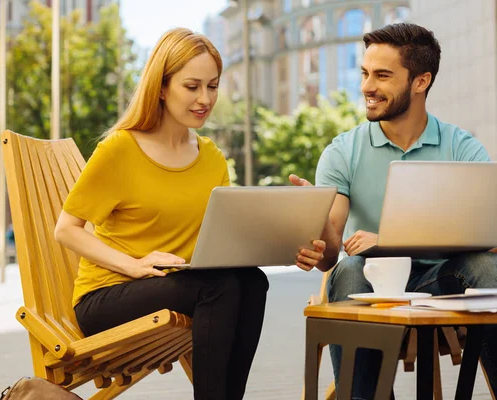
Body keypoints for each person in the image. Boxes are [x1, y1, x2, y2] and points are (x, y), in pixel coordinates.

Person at [54, 28, 269, 400]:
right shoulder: (121, 149)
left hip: (180, 286)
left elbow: (221, 237)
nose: (205, 98)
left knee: (252, 281)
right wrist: (132, 265)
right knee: (218, 287)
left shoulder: (211, 157)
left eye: (213, 86)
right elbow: (67, 230)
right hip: (108, 296)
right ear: (163, 87)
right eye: (192, 86)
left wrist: (279, 236)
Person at [290, 23, 497, 399]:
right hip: (374, 287)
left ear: (421, 81)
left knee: (486, 266)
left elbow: (491, 239)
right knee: (350, 269)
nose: (367, 86)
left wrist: (387, 240)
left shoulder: (461, 147)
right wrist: (318, 230)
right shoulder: (342, 152)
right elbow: (332, 253)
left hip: (442, 286)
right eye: (365, 74)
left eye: (382, 76)